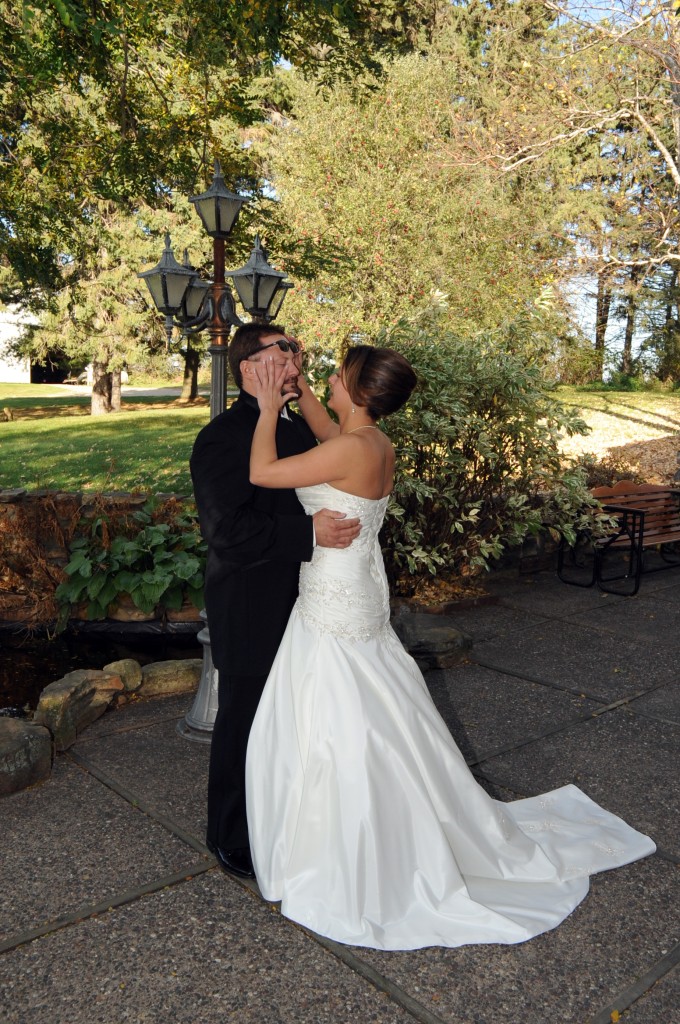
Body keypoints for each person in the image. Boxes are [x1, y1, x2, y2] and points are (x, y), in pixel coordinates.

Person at [244, 344, 656, 950]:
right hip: (355, 588)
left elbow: (261, 472)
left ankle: (354, 838)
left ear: (356, 390)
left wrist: (263, 408)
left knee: (342, 712)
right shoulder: (371, 442)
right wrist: (299, 388)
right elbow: (328, 431)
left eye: (337, 375)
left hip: (336, 597)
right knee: (373, 701)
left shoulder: (350, 449)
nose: (327, 380)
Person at [190, 323, 360, 880]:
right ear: (248, 367)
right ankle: (230, 836)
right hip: (250, 602)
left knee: (290, 717)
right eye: (283, 354)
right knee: (244, 720)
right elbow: (226, 531)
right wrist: (309, 534)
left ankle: (284, 818)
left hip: (308, 600)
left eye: (298, 355)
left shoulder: (296, 428)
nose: (296, 364)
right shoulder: (222, 438)